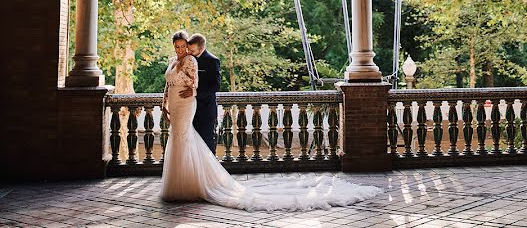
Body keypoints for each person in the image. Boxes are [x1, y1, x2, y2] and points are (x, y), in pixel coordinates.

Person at [160, 30, 382, 210]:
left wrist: (194, 92)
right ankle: (186, 182)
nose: (184, 50)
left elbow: (206, 84)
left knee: (204, 145)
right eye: (180, 47)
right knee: (186, 143)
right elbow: (169, 84)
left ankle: (204, 182)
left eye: (187, 47)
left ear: (197, 47)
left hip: (200, 108)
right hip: (181, 108)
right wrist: (165, 102)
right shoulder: (175, 60)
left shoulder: (205, 60)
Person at [187, 33, 220, 154]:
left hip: (206, 109)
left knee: (207, 143)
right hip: (190, 108)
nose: (189, 53)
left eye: (192, 50)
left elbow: (215, 86)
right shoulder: (188, 58)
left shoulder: (212, 61)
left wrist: (195, 93)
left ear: (201, 48)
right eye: (188, 50)